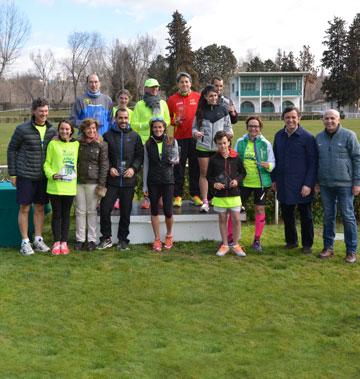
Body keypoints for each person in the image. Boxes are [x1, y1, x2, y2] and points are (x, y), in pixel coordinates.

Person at [7, 97, 56, 256]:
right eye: (41, 111)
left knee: (40, 208)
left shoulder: (52, 130)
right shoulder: (22, 129)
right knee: (25, 207)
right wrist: (13, 173)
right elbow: (12, 150)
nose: (44, 114)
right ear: (34, 111)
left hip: (43, 176)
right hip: (25, 174)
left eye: (46, 111)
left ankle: (38, 239)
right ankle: (25, 242)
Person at [271, 106, 317, 254]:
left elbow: (313, 163)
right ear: (283, 118)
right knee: (287, 214)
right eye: (287, 117)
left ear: (299, 118)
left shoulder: (307, 137)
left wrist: (308, 184)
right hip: (284, 183)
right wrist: (274, 180)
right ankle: (291, 241)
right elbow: (275, 160)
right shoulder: (279, 136)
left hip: (302, 184)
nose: (290, 120)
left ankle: (307, 245)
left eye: (293, 117)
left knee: (306, 216)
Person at [316, 109, 360, 263]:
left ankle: (351, 251)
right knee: (328, 217)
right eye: (326, 118)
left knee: (348, 217)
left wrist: (357, 182)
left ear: (339, 119)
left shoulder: (349, 136)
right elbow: (317, 162)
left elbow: (357, 159)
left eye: (332, 118)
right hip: (326, 184)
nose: (329, 121)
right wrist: (316, 182)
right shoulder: (319, 138)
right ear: (323, 120)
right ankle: (328, 248)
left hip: (345, 185)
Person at [97, 108, 143, 251]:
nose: (123, 121)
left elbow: (139, 156)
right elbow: (103, 157)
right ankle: (106, 238)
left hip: (128, 181)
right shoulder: (107, 136)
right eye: (120, 118)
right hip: (112, 181)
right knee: (105, 209)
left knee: (125, 211)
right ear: (115, 119)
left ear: (128, 119)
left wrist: (133, 169)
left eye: (125, 118)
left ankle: (123, 240)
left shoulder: (135, 136)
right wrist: (110, 167)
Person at [235, 116, 275, 253]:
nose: (253, 128)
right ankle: (231, 240)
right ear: (247, 127)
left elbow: (272, 163)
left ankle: (257, 240)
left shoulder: (265, 143)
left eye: (256, 126)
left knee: (259, 210)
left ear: (260, 128)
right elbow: (234, 160)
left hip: (261, 183)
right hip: (244, 182)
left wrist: (268, 165)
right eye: (251, 126)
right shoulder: (240, 142)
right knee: (235, 210)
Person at [192, 85, 233, 213]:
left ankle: (217, 199)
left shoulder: (223, 110)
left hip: (218, 148)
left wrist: (230, 133)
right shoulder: (200, 111)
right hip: (203, 147)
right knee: (204, 174)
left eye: (215, 95)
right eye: (211, 96)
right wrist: (196, 133)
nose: (214, 98)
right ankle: (205, 201)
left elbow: (228, 127)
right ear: (205, 97)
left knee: (218, 175)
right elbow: (193, 128)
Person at [131, 78, 170, 209]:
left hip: (160, 142)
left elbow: (168, 121)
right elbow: (133, 125)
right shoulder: (139, 104)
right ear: (146, 89)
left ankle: (159, 197)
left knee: (160, 169)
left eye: (157, 87)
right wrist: (147, 124)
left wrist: (160, 125)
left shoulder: (163, 103)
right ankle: (146, 197)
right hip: (144, 143)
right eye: (152, 87)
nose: (155, 89)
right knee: (145, 171)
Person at [207, 131, 246, 257]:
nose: (222, 146)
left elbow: (243, 173)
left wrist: (237, 181)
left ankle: (235, 244)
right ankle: (224, 245)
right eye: (219, 144)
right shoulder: (213, 160)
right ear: (216, 145)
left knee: (236, 219)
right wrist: (214, 184)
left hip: (234, 194)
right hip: (220, 196)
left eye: (224, 143)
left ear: (229, 142)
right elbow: (209, 176)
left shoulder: (236, 157)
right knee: (222, 219)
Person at [143, 117, 179, 252]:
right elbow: (146, 164)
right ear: (151, 129)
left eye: (160, 127)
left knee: (168, 211)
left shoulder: (171, 141)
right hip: (153, 181)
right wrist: (145, 186)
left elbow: (176, 159)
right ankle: (157, 238)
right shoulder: (147, 144)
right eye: (155, 127)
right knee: (154, 210)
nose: (158, 129)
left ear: (164, 128)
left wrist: (175, 159)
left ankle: (169, 235)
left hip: (168, 180)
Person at [44, 120, 79, 255]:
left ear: (71, 131)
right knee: (56, 215)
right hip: (55, 187)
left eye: (67, 129)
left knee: (66, 215)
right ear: (58, 130)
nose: (64, 131)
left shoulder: (76, 144)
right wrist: (52, 175)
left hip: (69, 187)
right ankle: (56, 242)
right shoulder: (52, 144)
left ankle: (64, 242)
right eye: (62, 129)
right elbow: (47, 164)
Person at [167, 72, 202, 207]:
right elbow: (167, 117)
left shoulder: (198, 97)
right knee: (178, 168)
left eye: (187, 81)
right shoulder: (172, 99)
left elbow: (202, 114)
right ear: (178, 84)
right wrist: (173, 121)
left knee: (195, 168)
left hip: (194, 138)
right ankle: (178, 196)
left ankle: (195, 195)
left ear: (190, 83)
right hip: (179, 139)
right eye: (182, 82)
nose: (184, 84)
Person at [75, 118, 109, 252]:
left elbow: (104, 165)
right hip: (78, 182)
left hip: (93, 182)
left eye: (94, 128)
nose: (92, 131)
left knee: (92, 212)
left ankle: (91, 240)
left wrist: (101, 184)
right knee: (80, 211)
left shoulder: (101, 144)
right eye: (89, 128)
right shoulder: (77, 143)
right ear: (83, 130)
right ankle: (80, 239)